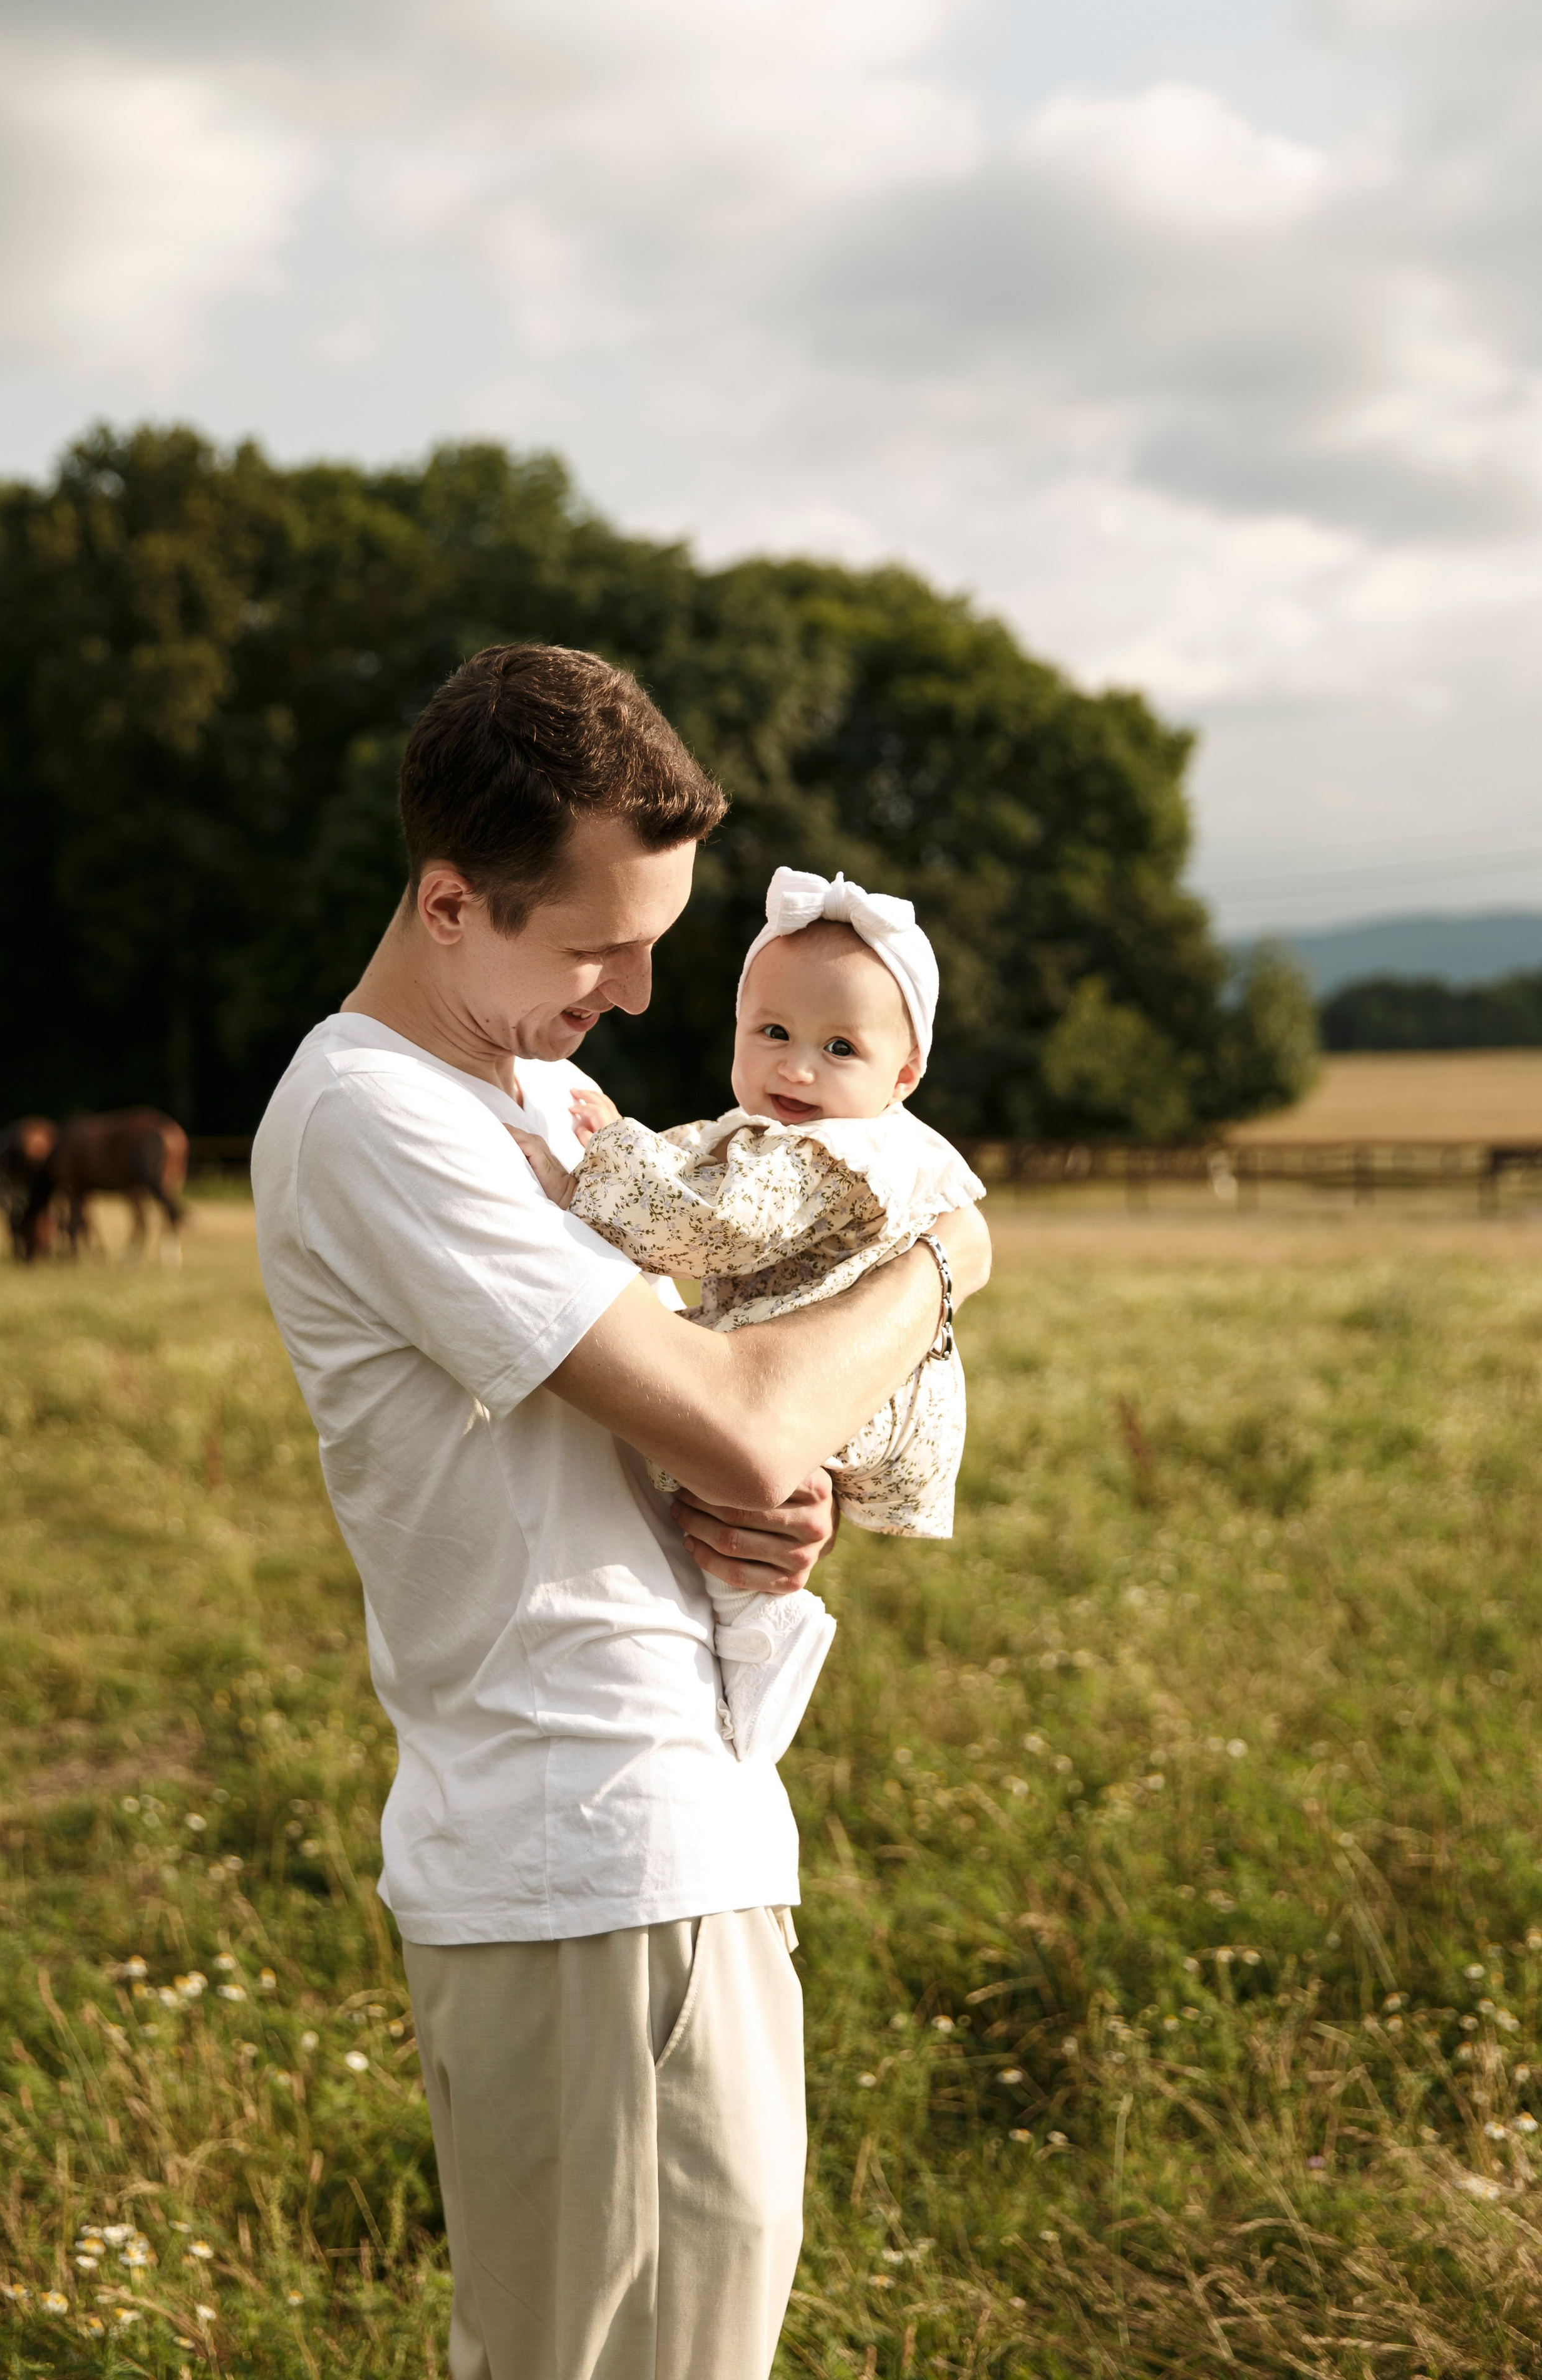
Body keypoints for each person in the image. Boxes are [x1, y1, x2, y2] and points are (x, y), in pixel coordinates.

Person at [251, 643, 991, 2380]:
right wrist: (951, 1251)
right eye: (599, 946)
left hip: (681, 1821)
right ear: (451, 902)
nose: (644, 996)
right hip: (576, 1848)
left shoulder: (548, 1103)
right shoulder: (374, 1117)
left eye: (660, 943)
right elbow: (742, 1417)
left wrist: (782, 1511)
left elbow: (725, 1436)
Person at [514, 864, 985, 1764]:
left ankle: (760, 1642)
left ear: (906, 1073)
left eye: (840, 1049)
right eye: (772, 1031)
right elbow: (703, 1165)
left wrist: (588, 1172)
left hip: (840, 1378)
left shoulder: (835, 1154)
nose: (798, 1066)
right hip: (823, 1362)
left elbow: (710, 1225)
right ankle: (748, 1632)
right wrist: (632, 1143)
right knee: (726, 1500)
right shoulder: (804, 1134)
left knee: (727, 1507)